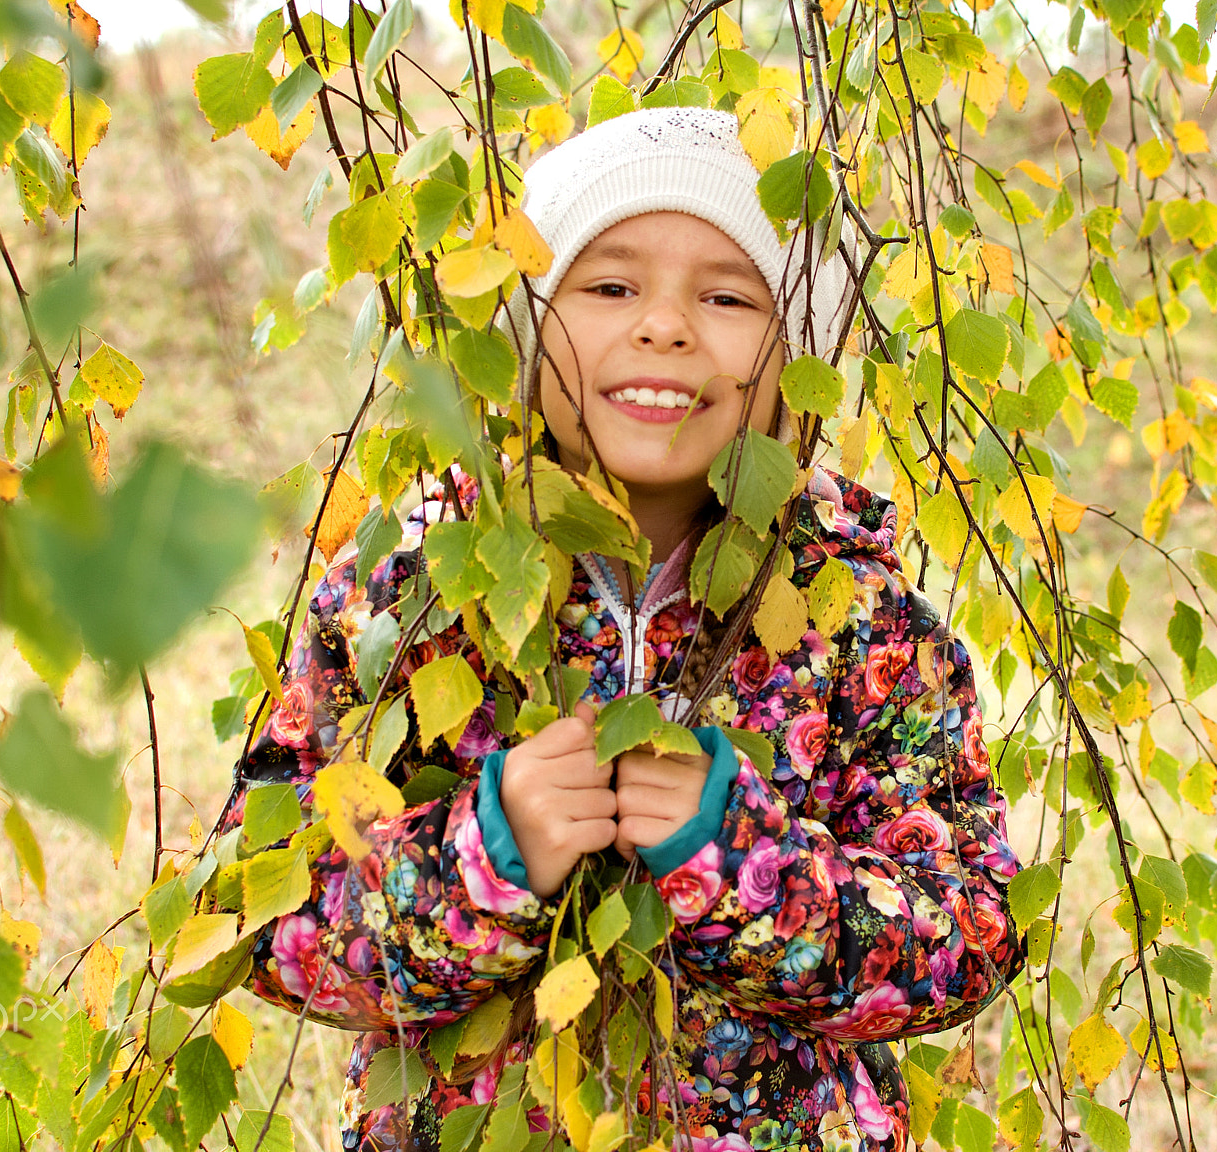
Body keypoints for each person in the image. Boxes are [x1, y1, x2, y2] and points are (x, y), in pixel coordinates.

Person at [221, 107, 1025, 1152]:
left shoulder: (860, 617)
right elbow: (263, 917)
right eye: (608, 286)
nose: (664, 327)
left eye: (729, 297)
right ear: (526, 328)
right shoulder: (408, 594)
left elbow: (970, 936)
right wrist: (484, 858)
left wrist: (742, 860)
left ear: (791, 359)